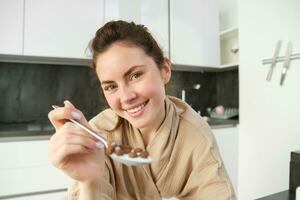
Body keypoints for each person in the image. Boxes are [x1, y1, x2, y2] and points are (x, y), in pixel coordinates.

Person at [48, 20, 236, 200]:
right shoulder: (97, 135)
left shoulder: (195, 134)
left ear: (164, 70)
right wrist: (90, 181)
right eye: (111, 86)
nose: (126, 97)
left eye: (135, 75)